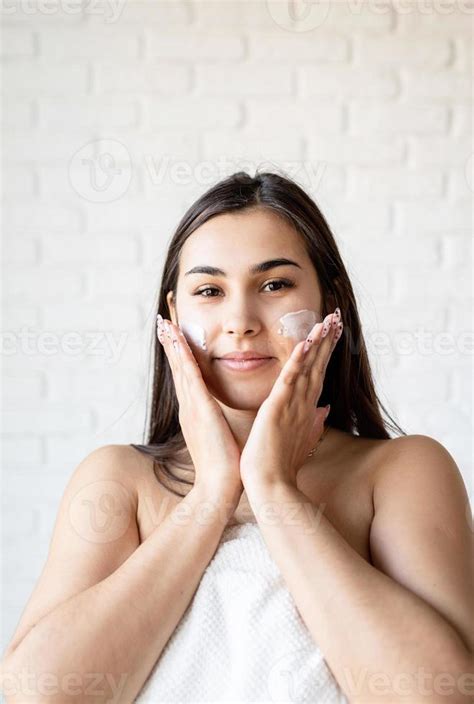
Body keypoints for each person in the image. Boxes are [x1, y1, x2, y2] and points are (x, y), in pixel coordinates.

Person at [1, 171, 472, 704]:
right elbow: (37, 697)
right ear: (173, 315)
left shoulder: (402, 473)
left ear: (329, 302)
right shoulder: (119, 481)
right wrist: (213, 494)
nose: (240, 321)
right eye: (209, 290)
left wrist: (273, 489)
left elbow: (442, 697)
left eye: (275, 285)